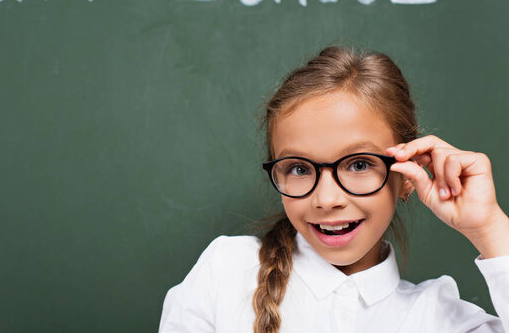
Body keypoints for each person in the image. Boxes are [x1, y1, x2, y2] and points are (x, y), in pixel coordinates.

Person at [158, 46, 509, 333]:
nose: (326, 200)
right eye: (298, 168)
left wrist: (491, 228)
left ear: (407, 175)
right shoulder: (225, 274)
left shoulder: (441, 320)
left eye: (358, 164)